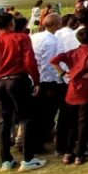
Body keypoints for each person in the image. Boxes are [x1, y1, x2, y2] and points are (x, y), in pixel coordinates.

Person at [0, 10, 45, 172]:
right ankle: (28, 158)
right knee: (25, 118)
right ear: (11, 24)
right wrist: (36, 80)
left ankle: (6, 160)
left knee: (3, 121)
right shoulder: (21, 38)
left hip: (0, 82)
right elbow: (29, 61)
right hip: (18, 80)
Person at [50, 27, 88, 165]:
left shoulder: (72, 53)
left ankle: (68, 152)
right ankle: (80, 153)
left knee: (72, 123)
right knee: (83, 123)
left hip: (72, 90)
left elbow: (54, 60)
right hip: (87, 90)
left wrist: (63, 73)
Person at [30, 13, 64, 155]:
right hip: (47, 81)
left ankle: (38, 140)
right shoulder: (52, 41)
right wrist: (57, 80)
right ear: (56, 24)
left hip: (36, 78)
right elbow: (49, 64)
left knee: (38, 113)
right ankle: (39, 142)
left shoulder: (35, 37)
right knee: (47, 113)